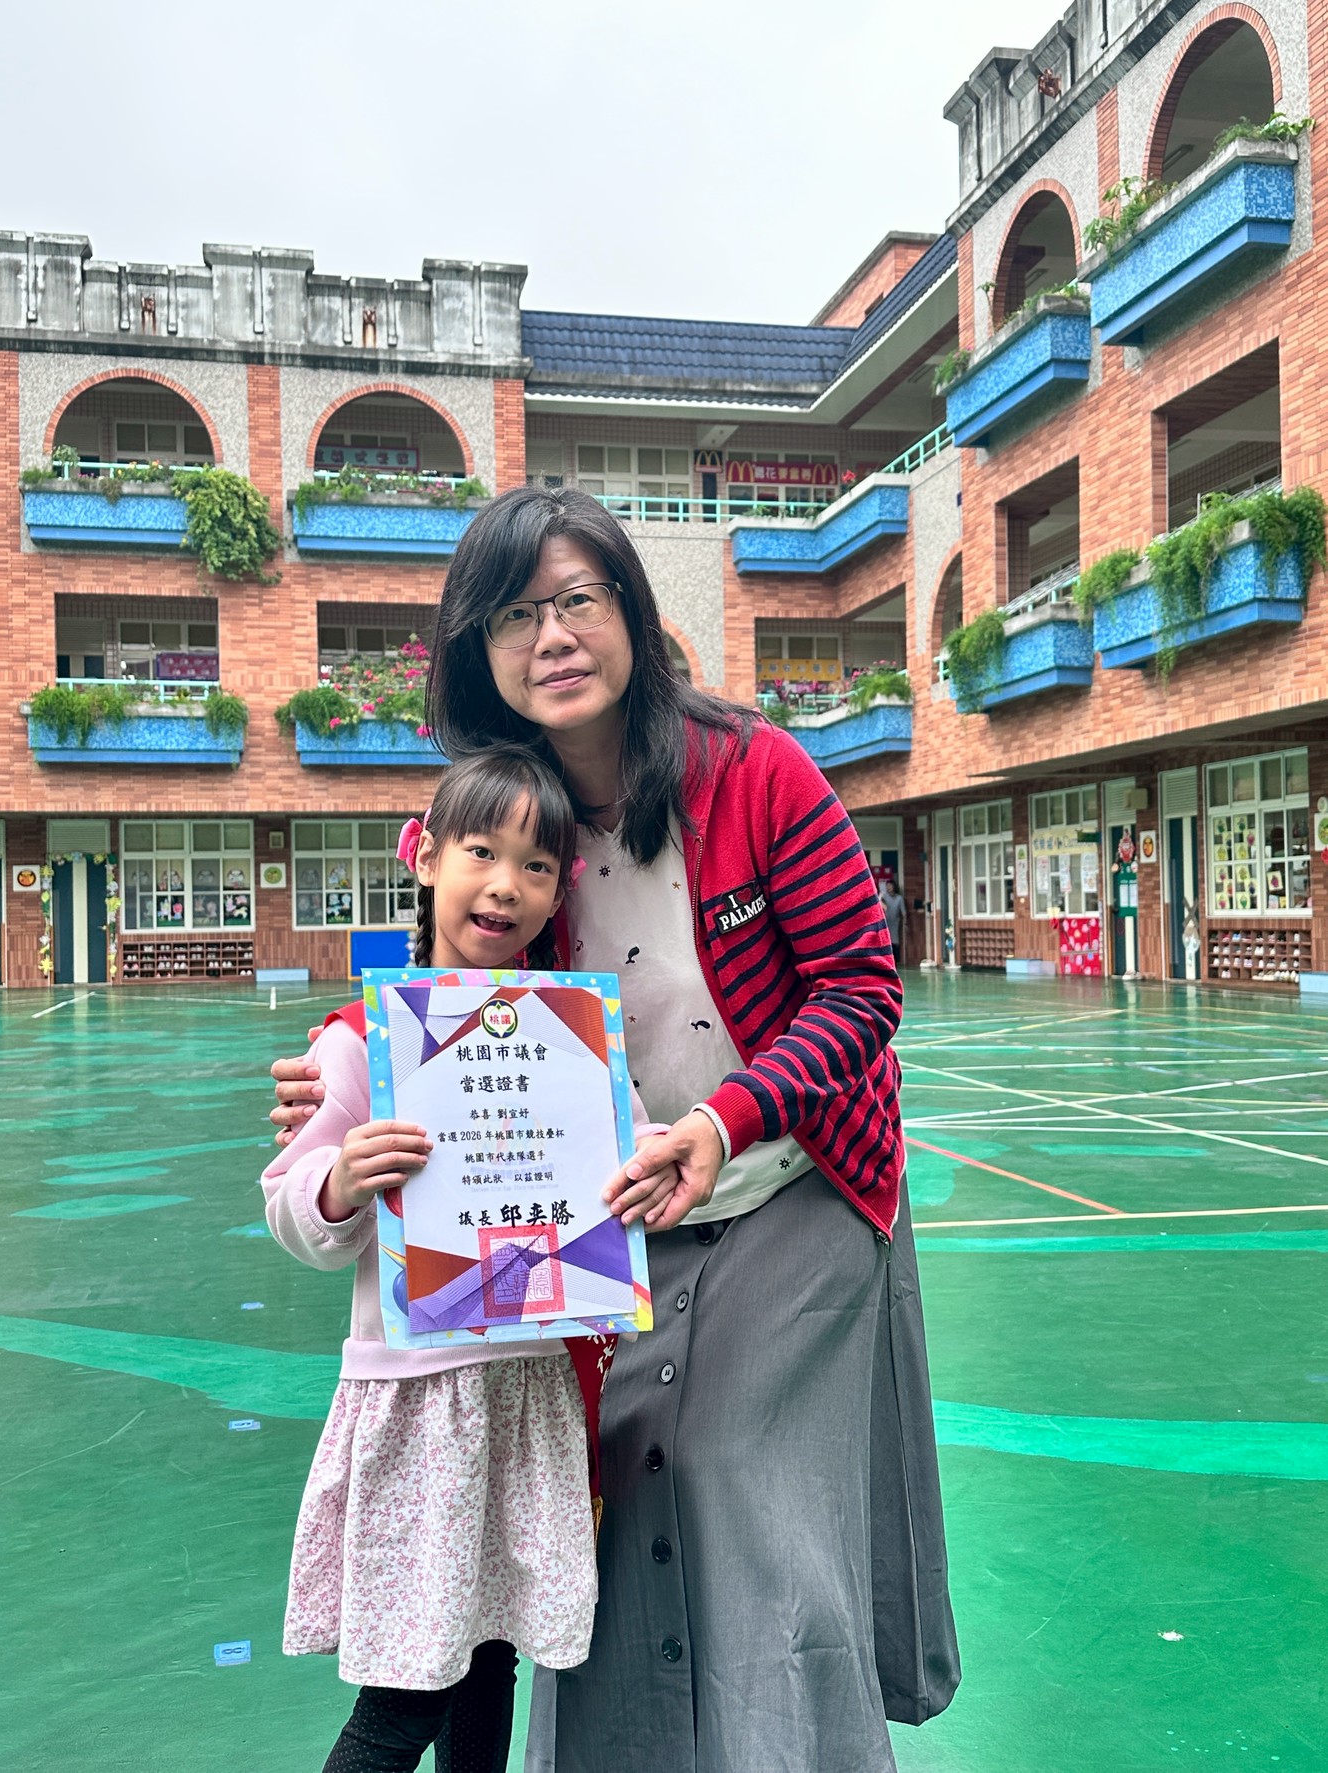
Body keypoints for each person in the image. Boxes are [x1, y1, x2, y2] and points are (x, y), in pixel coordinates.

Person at [270, 486, 960, 1773]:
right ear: (477, 650)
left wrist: (724, 1120)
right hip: (615, 1218)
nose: (553, 637)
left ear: (634, 616)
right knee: (620, 1485)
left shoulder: (753, 770)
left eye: (579, 601)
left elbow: (864, 988)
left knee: (732, 1473)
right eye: (514, 615)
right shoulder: (516, 814)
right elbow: (463, 967)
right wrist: (351, 1058)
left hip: (794, 1174)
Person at [262, 746, 675, 1773]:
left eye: (536, 865)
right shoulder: (361, 1043)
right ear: (426, 857)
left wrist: (661, 1160)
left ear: (560, 889)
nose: (505, 884)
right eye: (482, 852)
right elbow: (291, 1206)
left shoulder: (573, 1040)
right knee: (406, 1698)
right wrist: (341, 1182)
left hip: (528, 1394)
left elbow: (632, 1147)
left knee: (492, 1663)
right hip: (423, 1405)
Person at [879, 868, 908, 968]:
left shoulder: (899, 898)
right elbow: (878, 903)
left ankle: (895, 962)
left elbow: (903, 912)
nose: (889, 888)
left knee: (895, 941)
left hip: (895, 922)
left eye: (890, 886)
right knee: (886, 941)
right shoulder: (884, 896)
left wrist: (905, 923)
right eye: (887, 886)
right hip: (886, 922)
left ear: (894, 887)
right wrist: (881, 897)